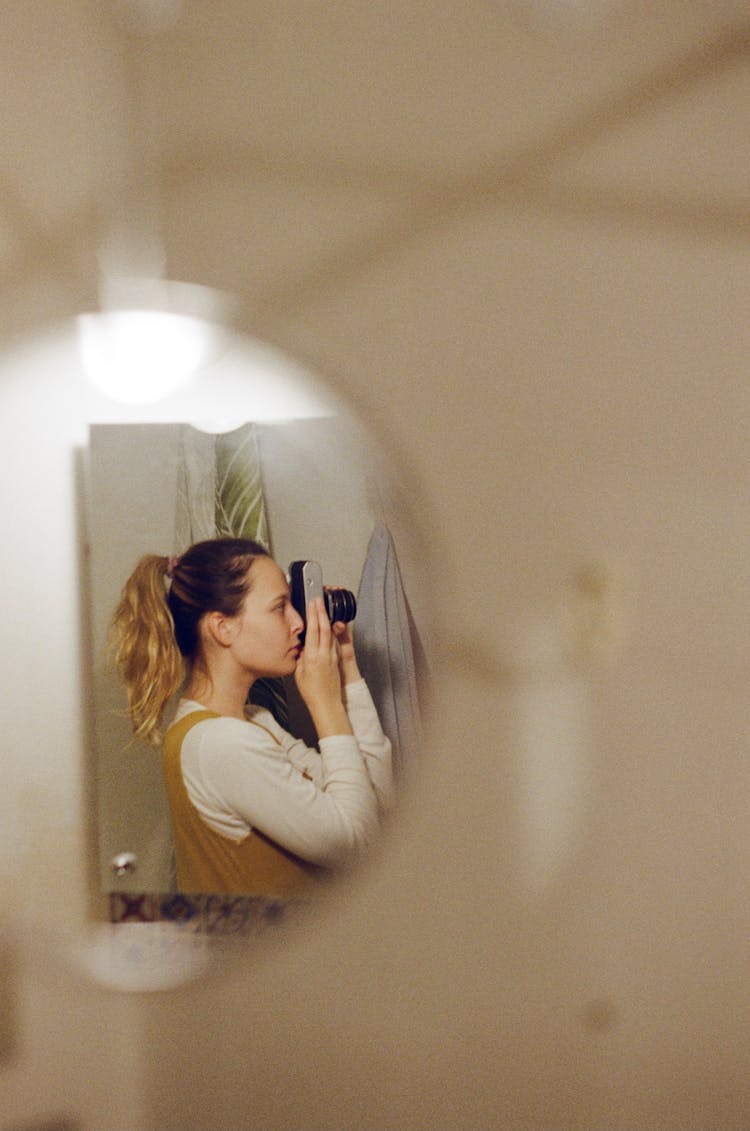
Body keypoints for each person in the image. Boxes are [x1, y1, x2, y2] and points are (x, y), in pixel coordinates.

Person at [110, 537, 393, 896]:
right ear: (222, 628)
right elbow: (359, 847)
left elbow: (376, 803)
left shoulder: (255, 720)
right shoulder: (221, 743)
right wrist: (326, 705)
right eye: (280, 607)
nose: (297, 623)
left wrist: (346, 664)